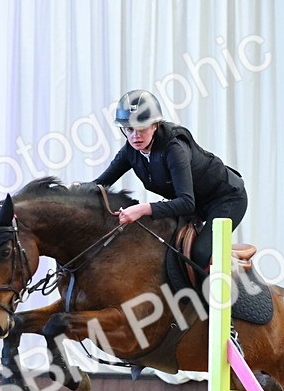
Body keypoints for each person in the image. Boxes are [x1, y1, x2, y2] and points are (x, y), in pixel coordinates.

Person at [90, 89, 250, 269]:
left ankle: (222, 292)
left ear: (155, 125)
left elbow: (186, 203)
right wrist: (72, 192)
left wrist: (142, 209)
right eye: (129, 129)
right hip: (196, 202)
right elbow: (100, 185)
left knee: (200, 253)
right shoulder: (130, 150)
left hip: (226, 199)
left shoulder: (174, 148)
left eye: (142, 127)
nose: (135, 135)